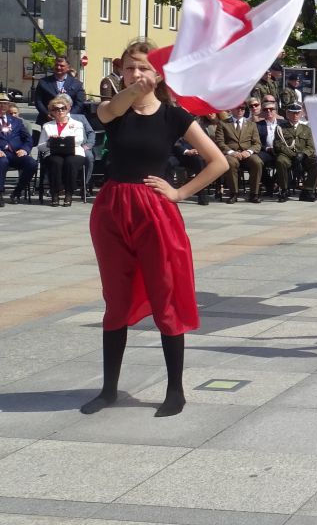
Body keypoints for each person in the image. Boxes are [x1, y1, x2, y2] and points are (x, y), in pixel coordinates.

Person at [81, 39, 229, 418]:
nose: (136, 74)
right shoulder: (114, 110)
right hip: (113, 209)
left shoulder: (174, 116)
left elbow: (218, 162)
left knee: (166, 294)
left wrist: (180, 192)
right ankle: (108, 389)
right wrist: (133, 90)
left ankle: (174, 391)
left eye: (144, 67)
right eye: (130, 67)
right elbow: (110, 110)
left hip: (155, 211)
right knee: (115, 298)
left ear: (158, 74)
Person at [36, 94, 90, 206]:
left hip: (74, 151)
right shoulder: (47, 126)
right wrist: (50, 142)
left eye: (63, 108)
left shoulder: (77, 124)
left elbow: (79, 140)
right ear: (52, 111)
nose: (60, 111)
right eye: (56, 109)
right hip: (53, 152)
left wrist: (61, 140)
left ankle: (69, 194)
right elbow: (40, 146)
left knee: (70, 162)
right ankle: (55, 194)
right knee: (56, 162)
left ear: (68, 109)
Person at [215, 103, 263, 203]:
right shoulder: (223, 123)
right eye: (237, 108)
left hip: (247, 153)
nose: (240, 110)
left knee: (257, 162)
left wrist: (249, 152)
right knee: (231, 163)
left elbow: (257, 143)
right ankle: (234, 193)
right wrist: (231, 152)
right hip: (231, 153)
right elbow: (219, 142)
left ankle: (254, 194)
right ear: (231, 109)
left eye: (242, 108)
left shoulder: (251, 124)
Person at [275, 103, 317, 202]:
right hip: (287, 156)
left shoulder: (306, 129)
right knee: (280, 161)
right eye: (292, 113)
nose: (295, 115)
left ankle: (307, 190)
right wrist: (294, 155)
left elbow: (311, 146)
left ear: (301, 114)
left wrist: (303, 154)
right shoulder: (280, 128)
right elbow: (279, 145)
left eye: (297, 113)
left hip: (303, 157)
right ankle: (284, 190)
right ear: (287, 114)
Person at [0, 96, 36, 205]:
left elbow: (28, 139)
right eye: (0, 103)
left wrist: (24, 149)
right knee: (2, 161)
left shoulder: (17, 121)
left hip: (15, 153)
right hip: (1, 154)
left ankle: (17, 192)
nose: (2, 106)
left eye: (5, 103)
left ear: (8, 105)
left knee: (31, 163)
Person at [34, 56, 87, 125]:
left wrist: (68, 116)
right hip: (47, 120)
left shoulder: (77, 84)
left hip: (69, 122)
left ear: (68, 67)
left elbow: (79, 103)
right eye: (56, 65)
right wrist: (47, 114)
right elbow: (38, 101)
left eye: (62, 66)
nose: (58, 67)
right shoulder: (43, 82)